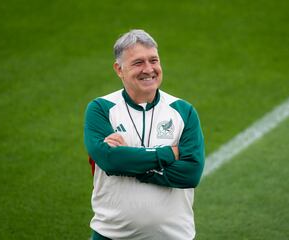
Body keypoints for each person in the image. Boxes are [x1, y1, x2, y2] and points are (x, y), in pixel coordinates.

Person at [84, 29, 205, 240]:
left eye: (154, 60)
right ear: (119, 69)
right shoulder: (100, 109)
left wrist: (132, 164)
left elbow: (191, 173)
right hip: (110, 235)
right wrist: (170, 153)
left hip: (173, 236)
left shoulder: (183, 111)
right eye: (138, 63)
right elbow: (111, 161)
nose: (149, 69)